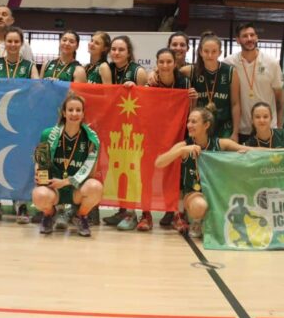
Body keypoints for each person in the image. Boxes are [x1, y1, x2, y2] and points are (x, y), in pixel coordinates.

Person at [155, 108, 249, 238]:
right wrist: (182, 150)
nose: (189, 125)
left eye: (194, 122)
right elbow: (159, 162)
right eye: (189, 121)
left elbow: (250, 150)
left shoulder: (221, 144)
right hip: (194, 194)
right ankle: (197, 222)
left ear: (206, 125)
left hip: (216, 194)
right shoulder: (184, 145)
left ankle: (212, 221)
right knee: (200, 206)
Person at [0, 26, 39, 224]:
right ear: (4, 43)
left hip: (20, 122)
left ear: (22, 44)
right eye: (10, 41)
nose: (13, 44)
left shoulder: (29, 65)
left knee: (18, 161)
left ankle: (21, 204)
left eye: (17, 41)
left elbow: (37, 87)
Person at [139, 48, 197, 231]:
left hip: (175, 134)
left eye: (168, 62)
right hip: (152, 135)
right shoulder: (151, 84)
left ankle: (176, 213)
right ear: (156, 64)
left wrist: (192, 99)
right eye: (161, 62)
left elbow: (190, 110)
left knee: (173, 175)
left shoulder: (184, 82)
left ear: (175, 63)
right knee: (147, 175)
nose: (165, 66)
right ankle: (145, 215)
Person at [32, 93, 103, 237]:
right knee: (39, 195)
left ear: (83, 114)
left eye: (78, 110)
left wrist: (65, 182)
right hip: (54, 189)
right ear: (64, 113)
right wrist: (39, 175)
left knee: (95, 187)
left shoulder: (91, 139)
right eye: (70, 110)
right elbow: (40, 164)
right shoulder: (48, 134)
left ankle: (80, 216)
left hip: (76, 188)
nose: (74, 114)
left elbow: (91, 174)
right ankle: (49, 215)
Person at [103, 36, 148, 230]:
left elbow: (146, 101)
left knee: (132, 172)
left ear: (128, 52)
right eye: (113, 49)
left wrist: (136, 90)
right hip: (112, 127)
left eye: (121, 49)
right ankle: (122, 210)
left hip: (133, 130)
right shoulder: (107, 69)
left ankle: (132, 213)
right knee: (115, 170)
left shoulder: (138, 71)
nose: (116, 53)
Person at [223, 23, 284, 143]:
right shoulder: (229, 62)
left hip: (268, 127)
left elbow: (279, 97)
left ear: (257, 37)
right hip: (242, 129)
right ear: (238, 40)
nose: (249, 39)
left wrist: (280, 126)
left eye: (252, 35)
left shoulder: (272, 63)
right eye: (245, 36)